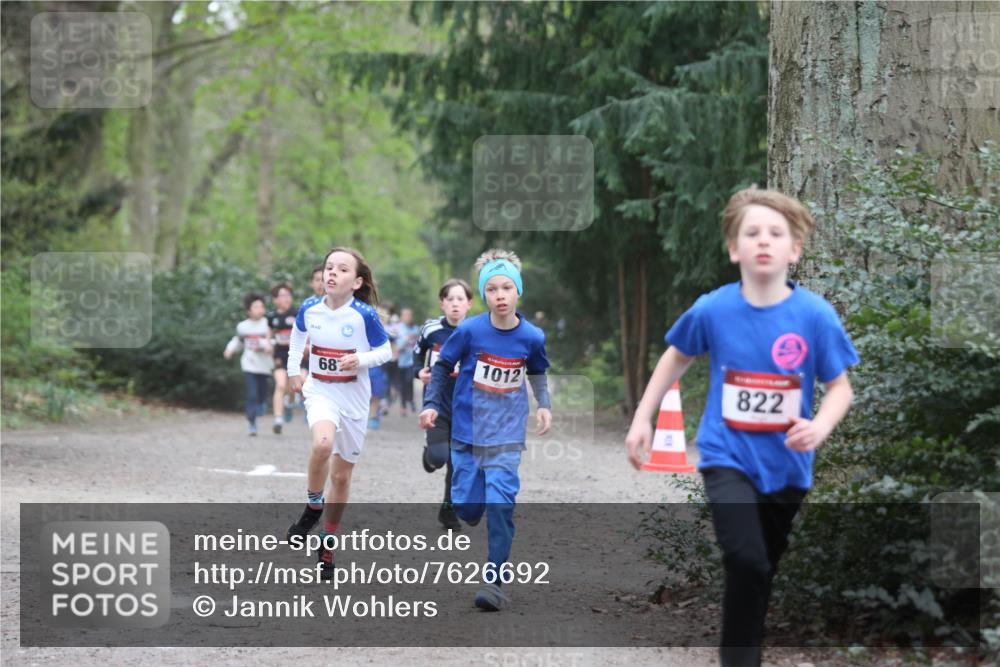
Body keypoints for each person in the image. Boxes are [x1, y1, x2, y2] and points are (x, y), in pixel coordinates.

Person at [625, 186, 859, 667]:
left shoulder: (814, 315)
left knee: (760, 570)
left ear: (795, 249)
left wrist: (819, 427)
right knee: (747, 561)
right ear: (734, 248)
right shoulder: (714, 308)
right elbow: (677, 355)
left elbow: (840, 388)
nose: (764, 241)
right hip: (725, 456)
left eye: (776, 233)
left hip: (788, 466)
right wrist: (642, 418)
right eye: (751, 233)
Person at [419, 249, 552, 612]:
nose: (500, 295)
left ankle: (494, 582)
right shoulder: (469, 330)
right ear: (485, 295)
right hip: (466, 431)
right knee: (467, 504)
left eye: (507, 287)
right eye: (492, 289)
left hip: (506, 436)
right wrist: (431, 404)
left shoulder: (532, 336)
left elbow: (538, 371)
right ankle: (468, 505)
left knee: (500, 505)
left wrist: (544, 404)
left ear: (518, 291)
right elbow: (444, 365)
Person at [284, 247, 392, 579]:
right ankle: (314, 504)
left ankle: (328, 542)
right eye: (329, 267)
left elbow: (386, 351)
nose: (332, 273)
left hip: (355, 399)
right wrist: (293, 370)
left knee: (342, 477)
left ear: (357, 282)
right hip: (321, 390)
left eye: (342, 269)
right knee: (321, 444)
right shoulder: (309, 308)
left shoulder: (364, 315)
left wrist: (359, 360)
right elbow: (297, 337)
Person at [413, 279, 473, 530]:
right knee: (440, 457)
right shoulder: (431, 329)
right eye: (450, 299)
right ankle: (430, 456)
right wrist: (420, 373)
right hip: (436, 403)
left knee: (457, 463)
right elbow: (416, 357)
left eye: (461, 299)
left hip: (465, 405)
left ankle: (448, 511)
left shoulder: (476, 331)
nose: (455, 304)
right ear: (442, 303)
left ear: (469, 304)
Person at [223, 292, 274, 436]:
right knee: (251, 394)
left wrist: (265, 345)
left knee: (262, 395)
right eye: (256, 306)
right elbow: (238, 341)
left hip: (264, 365)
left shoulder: (268, 324)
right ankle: (251, 421)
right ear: (248, 310)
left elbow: (274, 342)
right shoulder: (243, 327)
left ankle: (260, 406)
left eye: (261, 306)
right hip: (249, 364)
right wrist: (229, 350)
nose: (260, 309)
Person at [266, 282, 297, 434]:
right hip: (279, 355)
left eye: (288, 295)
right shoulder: (272, 317)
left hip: (295, 356)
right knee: (279, 385)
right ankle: (278, 419)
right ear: (275, 300)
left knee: (292, 387)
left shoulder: (297, 313)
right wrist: (267, 343)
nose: (286, 298)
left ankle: (289, 403)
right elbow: (269, 333)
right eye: (282, 295)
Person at [394, 307, 419, 417]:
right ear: (401, 317)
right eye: (405, 315)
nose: (407, 317)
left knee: (409, 381)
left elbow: (418, 345)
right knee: (403, 385)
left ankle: (411, 399)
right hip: (401, 361)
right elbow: (398, 346)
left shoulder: (415, 329)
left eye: (409, 315)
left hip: (411, 361)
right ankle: (403, 406)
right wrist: (406, 339)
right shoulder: (399, 328)